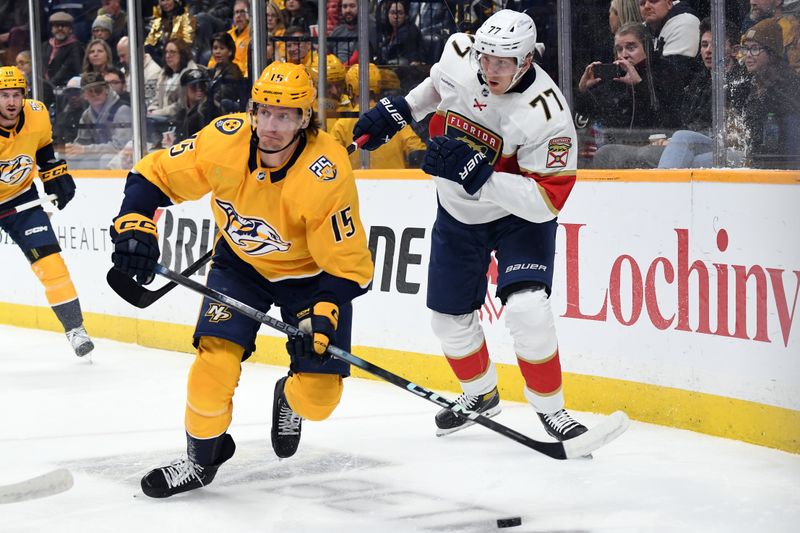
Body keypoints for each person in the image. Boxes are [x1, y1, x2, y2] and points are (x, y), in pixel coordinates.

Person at [109, 61, 373, 498]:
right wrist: (135, 221)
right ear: (252, 110)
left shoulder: (326, 171)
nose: (271, 125)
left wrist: (324, 315)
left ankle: (290, 397)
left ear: (305, 119)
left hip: (310, 279)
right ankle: (200, 460)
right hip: (240, 266)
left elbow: (348, 266)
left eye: (285, 115)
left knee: (319, 400)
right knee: (213, 367)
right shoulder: (224, 139)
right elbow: (152, 174)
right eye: (265, 112)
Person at [352, 9, 588, 441]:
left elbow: (545, 201)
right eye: (485, 58)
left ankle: (552, 410)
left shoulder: (547, 115)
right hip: (458, 212)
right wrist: (401, 110)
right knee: (447, 318)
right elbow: (437, 87)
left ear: (526, 62)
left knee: (528, 309)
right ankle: (480, 394)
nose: (489, 69)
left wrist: (482, 175)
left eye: (502, 63)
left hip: (518, 219)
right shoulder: (461, 54)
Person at [0, 66, 94, 357]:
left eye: (16, 94)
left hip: (21, 200)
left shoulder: (37, 114)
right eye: (3, 95)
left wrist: (54, 173)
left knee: (52, 265)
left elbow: (43, 149)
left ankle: (75, 330)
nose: (11, 102)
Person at [332, 63, 424, 168]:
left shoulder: (342, 124)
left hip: (355, 181)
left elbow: (332, 159)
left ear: (350, 89)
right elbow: (417, 151)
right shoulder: (393, 119)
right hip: (396, 182)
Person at [64, 72, 133, 169]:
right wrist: (72, 149)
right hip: (99, 155)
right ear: (84, 95)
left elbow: (120, 146)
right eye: (90, 92)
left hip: (124, 158)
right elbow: (82, 142)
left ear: (106, 90)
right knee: (68, 160)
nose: (95, 94)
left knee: (104, 159)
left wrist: (85, 150)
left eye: (98, 90)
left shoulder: (121, 110)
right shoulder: (86, 115)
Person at [207, 0, 251, 77]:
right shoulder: (228, 35)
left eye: (242, 12)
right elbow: (212, 62)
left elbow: (248, 67)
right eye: (236, 12)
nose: (238, 15)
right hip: (222, 74)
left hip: (240, 77)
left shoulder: (252, 36)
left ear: (249, 15)